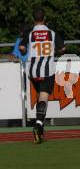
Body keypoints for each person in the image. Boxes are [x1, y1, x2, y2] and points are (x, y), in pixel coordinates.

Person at [19, 8, 65, 144]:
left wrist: (28, 48)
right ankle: (38, 124)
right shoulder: (51, 33)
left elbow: (21, 48)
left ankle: (41, 131)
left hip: (33, 71)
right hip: (47, 70)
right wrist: (54, 51)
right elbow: (63, 48)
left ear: (34, 19)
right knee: (44, 97)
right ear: (44, 18)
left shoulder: (29, 32)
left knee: (40, 96)